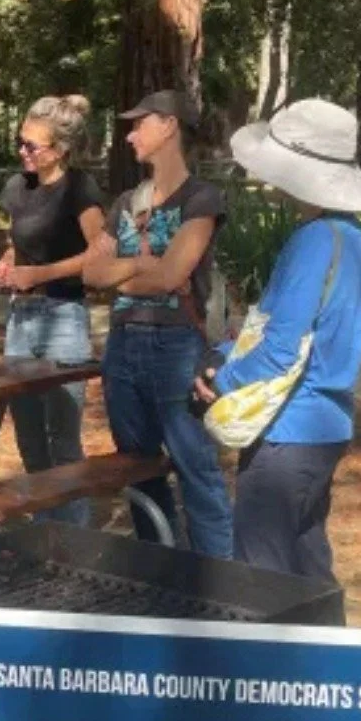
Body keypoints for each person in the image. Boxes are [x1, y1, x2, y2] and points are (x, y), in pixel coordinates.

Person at [192, 99, 361, 592]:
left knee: (262, 573)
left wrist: (221, 379)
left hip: (288, 431)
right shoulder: (352, 239)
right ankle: (328, 665)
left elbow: (277, 350)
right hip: (327, 426)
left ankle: (265, 668)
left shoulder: (313, 241)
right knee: (309, 563)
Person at [82, 90, 233, 558]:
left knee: (196, 471)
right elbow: (90, 272)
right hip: (123, 346)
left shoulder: (202, 198)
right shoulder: (127, 200)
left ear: (168, 126)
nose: (129, 135)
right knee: (139, 471)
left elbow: (173, 274)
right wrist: (141, 268)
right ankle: (160, 572)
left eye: (138, 124)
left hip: (177, 348)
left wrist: (123, 271)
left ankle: (219, 584)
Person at [0, 95, 104, 525]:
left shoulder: (80, 188)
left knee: (63, 437)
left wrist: (40, 273)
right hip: (21, 318)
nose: (22, 152)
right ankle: (43, 532)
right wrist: (7, 264)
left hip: (64, 317)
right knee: (29, 436)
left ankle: (75, 538)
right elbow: (18, 242)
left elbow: (99, 253)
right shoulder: (17, 187)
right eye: (20, 143)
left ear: (60, 150)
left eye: (32, 146)